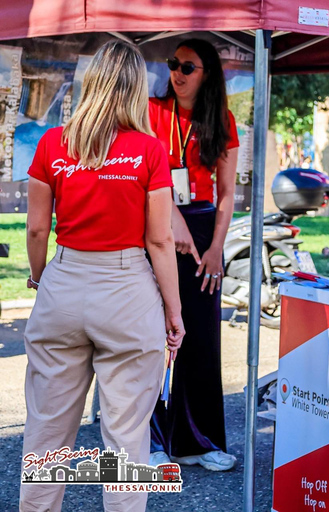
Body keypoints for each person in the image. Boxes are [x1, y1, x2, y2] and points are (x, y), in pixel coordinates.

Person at [20, 41, 184, 512]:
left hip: (65, 281)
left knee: (46, 433)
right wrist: (174, 312)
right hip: (127, 288)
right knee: (127, 440)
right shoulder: (150, 150)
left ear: (89, 82)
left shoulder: (53, 143)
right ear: (136, 87)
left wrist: (38, 278)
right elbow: (159, 242)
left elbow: (36, 228)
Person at [148, 39, 239, 472]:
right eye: (173, 64)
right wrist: (171, 219)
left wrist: (217, 247)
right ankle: (147, 438)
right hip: (155, 222)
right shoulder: (149, 111)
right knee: (150, 333)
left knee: (201, 336)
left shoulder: (222, 120)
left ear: (208, 75)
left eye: (188, 66)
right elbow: (144, 177)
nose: (178, 73)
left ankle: (198, 441)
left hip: (203, 231)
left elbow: (226, 193)